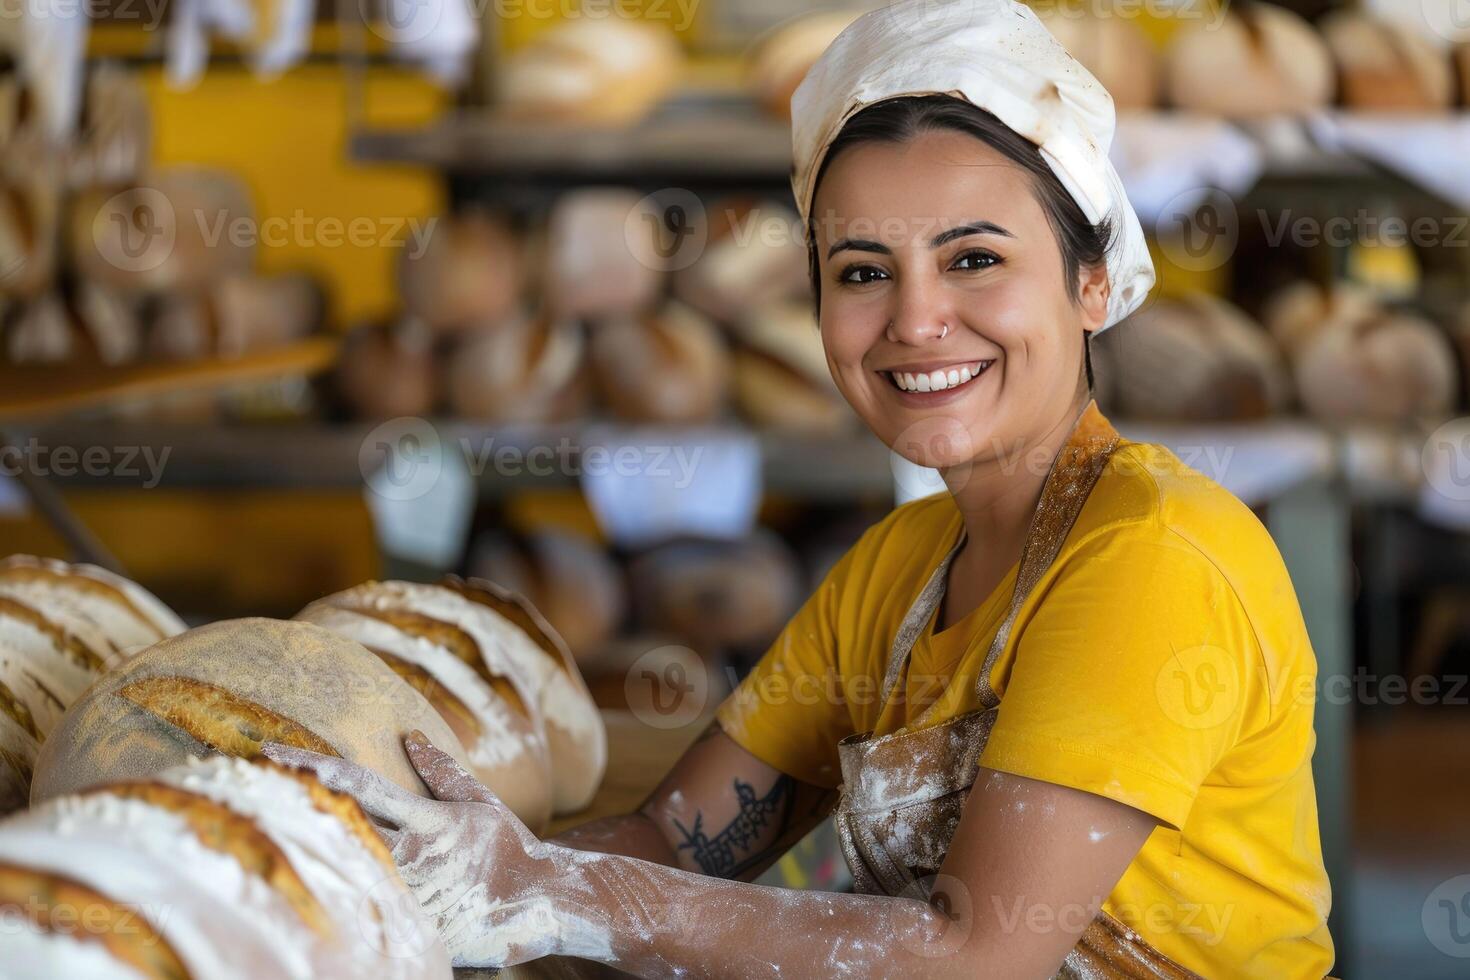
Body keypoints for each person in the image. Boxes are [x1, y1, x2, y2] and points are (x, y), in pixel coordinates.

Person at [267, 2, 1334, 975]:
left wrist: (552, 890)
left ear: (1092, 282)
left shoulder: (1153, 556)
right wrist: (419, 857)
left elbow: (970, 957)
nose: (915, 320)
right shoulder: (900, 570)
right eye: (863, 270)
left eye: (973, 260)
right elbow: (665, 843)